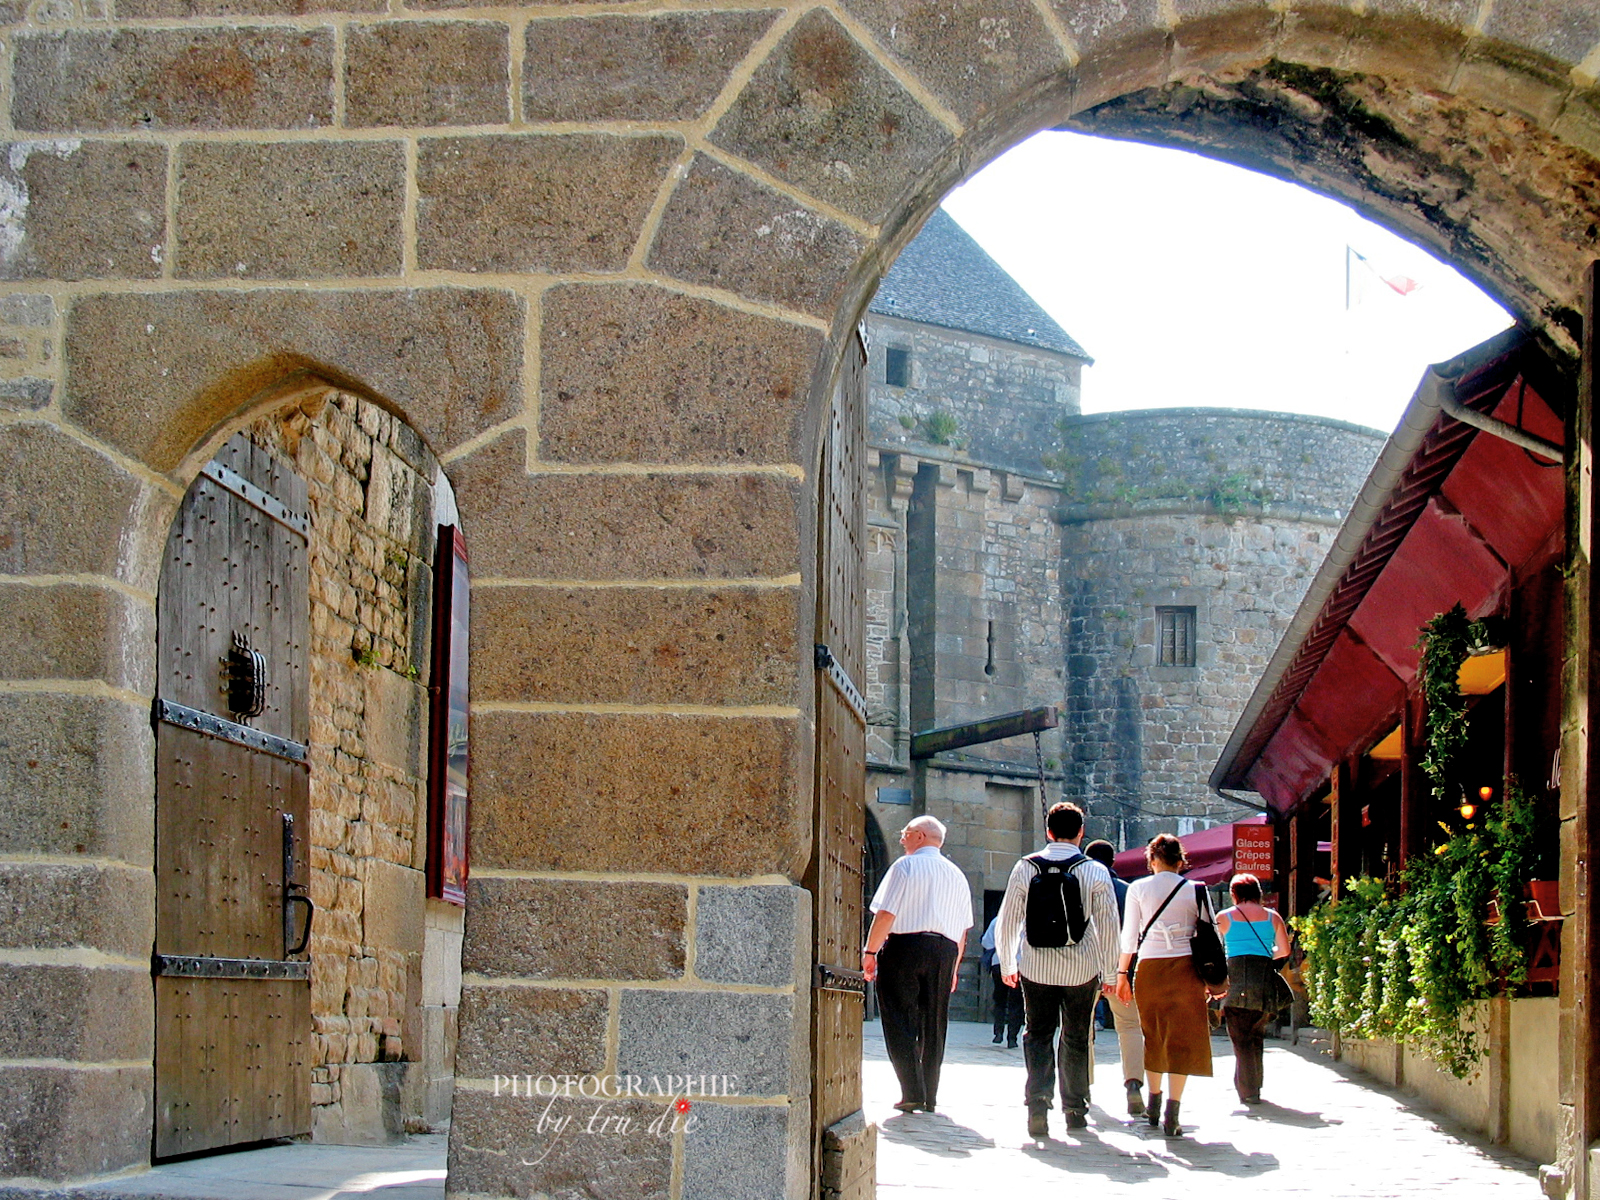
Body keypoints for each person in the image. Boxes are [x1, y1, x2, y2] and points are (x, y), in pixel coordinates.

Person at [995, 802, 1120, 1138]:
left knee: (1037, 1034)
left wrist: (1008, 963)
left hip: (1035, 966)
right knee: (1076, 1037)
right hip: (1083, 967)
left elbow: (1008, 920)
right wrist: (1111, 974)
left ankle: (1037, 1103)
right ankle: (1075, 1109)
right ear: (1081, 833)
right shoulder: (1094, 871)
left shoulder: (1025, 867)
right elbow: (1109, 926)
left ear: (1048, 830)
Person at [1114, 834, 1224, 1137]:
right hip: (1187, 970)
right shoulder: (1196, 890)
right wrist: (1213, 980)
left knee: (1153, 1035)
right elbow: (1212, 936)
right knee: (1181, 1040)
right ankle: (1173, 1112)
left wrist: (1122, 975)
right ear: (1181, 861)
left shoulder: (1137, 888)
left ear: (1151, 860)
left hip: (1149, 970)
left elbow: (1129, 937)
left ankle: (1153, 1101)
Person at [862, 815, 973, 1114]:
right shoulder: (957, 875)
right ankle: (930, 1094)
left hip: (904, 946)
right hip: (945, 950)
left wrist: (870, 951)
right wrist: (955, 967)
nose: (901, 839)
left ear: (920, 836)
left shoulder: (905, 866)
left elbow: (886, 914)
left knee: (898, 1016)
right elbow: (962, 931)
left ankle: (912, 1091)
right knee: (934, 1022)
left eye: (905, 833)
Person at [1084, 838, 1147, 1117]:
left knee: (1081, 1029)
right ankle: (1133, 1084)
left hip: (1084, 967)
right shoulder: (1129, 891)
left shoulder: (1081, 887)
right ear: (1113, 862)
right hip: (1122, 968)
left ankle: (1082, 1086)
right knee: (1130, 1027)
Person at [1216, 872, 1292, 1104]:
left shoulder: (1224, 917)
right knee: (1256, 1037)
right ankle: (1254, 1085)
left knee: (1240, 1040)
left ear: (1234, 894)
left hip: (1236, 981)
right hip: (1263, 982)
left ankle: (1248, 1090)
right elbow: (1284, 950)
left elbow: (1216, 950)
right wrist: (1267, 954)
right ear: (1259, 893)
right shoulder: (1273, 917)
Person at [980, 914, 1023, 1048]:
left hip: (998, 962)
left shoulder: (996, 920)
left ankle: (998, 1033)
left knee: (999, 999)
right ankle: (1012, 1038)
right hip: (1018, 964)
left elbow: (986, 942)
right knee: (1016, 1003)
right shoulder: (1024, 922)